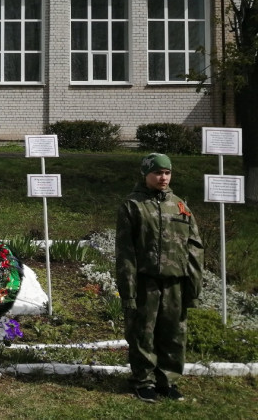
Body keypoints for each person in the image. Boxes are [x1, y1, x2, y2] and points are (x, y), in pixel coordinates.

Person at [116, 153, 203, 403]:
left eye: (167, 173)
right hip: (146, 281)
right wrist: (128, 290)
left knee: (174, 332)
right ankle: (143, 381)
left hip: (175, 282)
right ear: (145, 174)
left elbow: (195, 246)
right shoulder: (132, 205)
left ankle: (168, 380)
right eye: (157, 173)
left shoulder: (180, 205)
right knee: (143, 332)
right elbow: (125, 252)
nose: (163, 177)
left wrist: (193, 285)